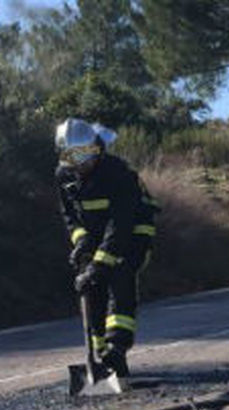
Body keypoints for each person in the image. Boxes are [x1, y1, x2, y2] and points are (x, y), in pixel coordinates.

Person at [55, 118, 159, 378]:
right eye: (73, 156)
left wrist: (101, 263)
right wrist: (80, 242)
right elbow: (71, 217)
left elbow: (121, 223)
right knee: (92, 289)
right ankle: (99, 355)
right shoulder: (64, 176)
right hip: (98, 236)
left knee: (119, 277)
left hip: (133, 233)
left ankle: (117, 348)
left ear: (96, 149)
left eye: (85, 154)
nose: (81, 162)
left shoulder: (116, 173)